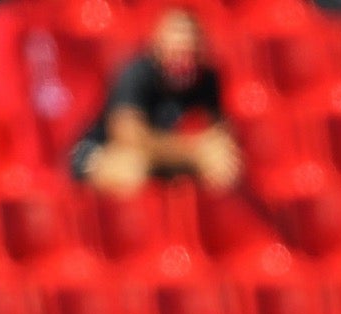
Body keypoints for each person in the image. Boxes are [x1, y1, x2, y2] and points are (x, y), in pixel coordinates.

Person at [70, 6, 240, 195]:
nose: (184, 43)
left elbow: (218, 132)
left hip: (164, 156)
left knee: (223, 162)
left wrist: (209, 151)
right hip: (105, 152)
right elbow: (128, 137)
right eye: (177, 36)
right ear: (158, 41)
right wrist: (193, 152)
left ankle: (203, 221)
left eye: (190, 37)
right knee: (131, 168)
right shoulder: (136, 74)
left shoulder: (207, 79)